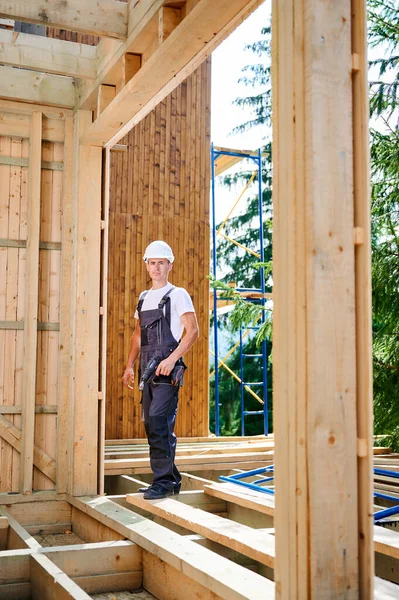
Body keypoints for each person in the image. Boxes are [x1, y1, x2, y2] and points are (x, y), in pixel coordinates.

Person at [122, 240, 199, 500]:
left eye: (161, 263)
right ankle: (168, 479)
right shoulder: (144, 298)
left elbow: (193, 331)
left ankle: (164, 482)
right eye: (152, 262)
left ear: (170, 265)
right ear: (146, 265)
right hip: (146, 370)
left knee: (159, 423)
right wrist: (129, 366)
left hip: (167, 370)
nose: (156, 267)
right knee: (152, 425)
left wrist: (172, 359)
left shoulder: (178, 295)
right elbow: (137, 336)